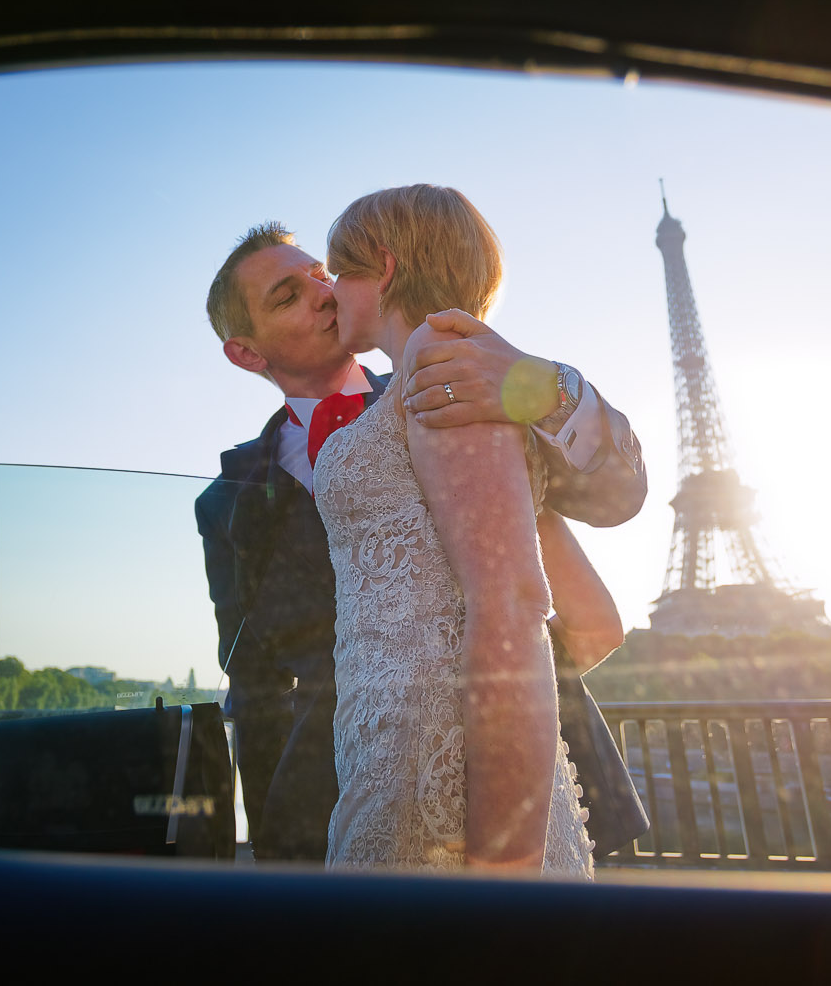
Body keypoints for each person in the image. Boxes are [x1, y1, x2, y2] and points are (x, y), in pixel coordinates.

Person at [196, 220, 649, 867]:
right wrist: (274, 854)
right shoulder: (227, 501)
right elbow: (255, 685)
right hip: (347, 814)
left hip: (533, 792)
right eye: (287, 295)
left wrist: (494, 703)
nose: (323, 293)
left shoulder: (460, 380)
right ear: (247, 352)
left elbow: (614, 502)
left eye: (324, 275)